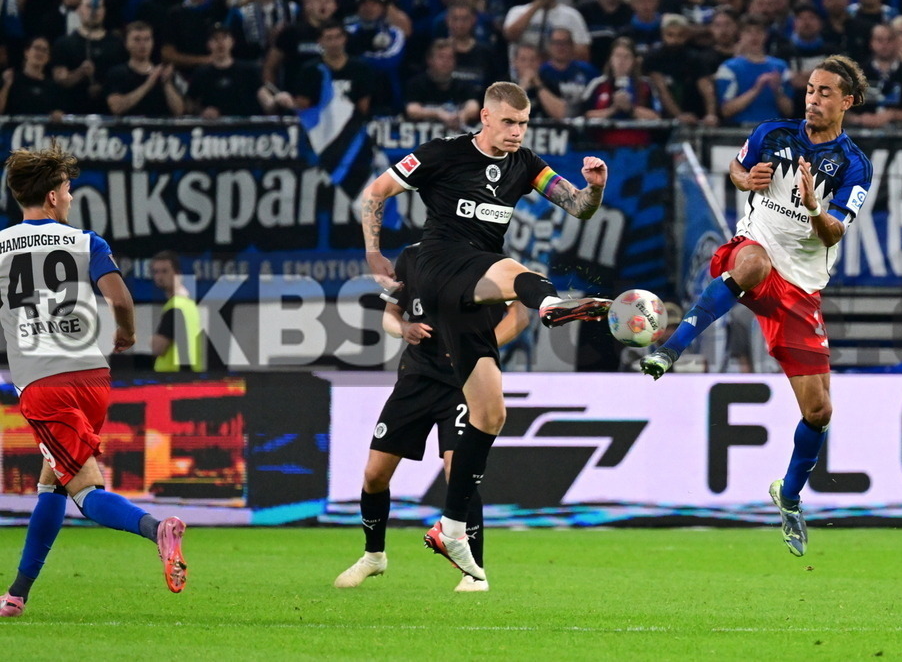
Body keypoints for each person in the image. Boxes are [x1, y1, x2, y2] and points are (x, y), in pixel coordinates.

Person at [362, 81, 611, 582]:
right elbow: (377, 191)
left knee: (492, 413)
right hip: (435, 265)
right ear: (485, 117)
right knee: (517, 273)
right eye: (509, 123)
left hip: (469, 294)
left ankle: (452, 527)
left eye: (523, 124)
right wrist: (372, 250)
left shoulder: (525, 165)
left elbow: (578, 207)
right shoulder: (441, 154)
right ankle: (551, 306)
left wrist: (596, 187)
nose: (517, 132)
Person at [640, 55, 873, 559]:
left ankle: (788, 495)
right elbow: (736, 167)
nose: (813, 99)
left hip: (802, 288)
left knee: (819, 410)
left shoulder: (853, 165)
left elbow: (835, 230)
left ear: (847, 102)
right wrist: (743, 180)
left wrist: (813, 207)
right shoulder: (772, 131)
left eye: (825, 93)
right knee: (753, 264)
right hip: (753, 249)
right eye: (810, 90)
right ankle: (671, 348)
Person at [0, 145, 187, 618]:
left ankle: (156, 529)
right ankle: (17, 594)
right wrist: (125, 334)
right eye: (65, 188)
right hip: (92, 377)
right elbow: (120, 298)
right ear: (50, 197)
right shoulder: (87, 242)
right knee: (52, 484)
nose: (69, 195)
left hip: (44, 384)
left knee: (85, 491)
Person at [334, 244, 530, 593]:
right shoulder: (413, 257)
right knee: (375, 473)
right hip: (417, 379)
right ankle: (373, 556)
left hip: (463, 382)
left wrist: (481, 349)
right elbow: (390, 315)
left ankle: (474, 572)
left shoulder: (492, 257)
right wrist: (404, 328)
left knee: (459, 472)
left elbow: (520, 314)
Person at [150, 250, 205, 372]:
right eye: (156, 272)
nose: (159, 276)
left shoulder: (174, 308)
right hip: (190, 375)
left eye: (165, 271)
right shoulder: (189, 304)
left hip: (171, 378)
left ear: (177, 274)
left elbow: (158, 348)